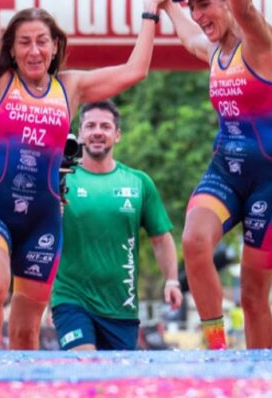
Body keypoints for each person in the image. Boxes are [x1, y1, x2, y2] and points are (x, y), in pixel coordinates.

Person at [0, 0, 170, 351]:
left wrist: (149, 12)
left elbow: (135, 71)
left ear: (55, 45)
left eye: (41, 42)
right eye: (24, 42)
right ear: (11, 49)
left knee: (27, 331)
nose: (33, 51)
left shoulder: (71, 87)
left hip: (43, 221)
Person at [156, 0, 272, 349]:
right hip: (227, 172)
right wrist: (169, 7)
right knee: (194, 240)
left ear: (226, 1)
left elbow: (248, 11)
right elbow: (188, 36)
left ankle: (258, 379)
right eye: (193, 8)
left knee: (253, 299)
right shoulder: (215, 52)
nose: (198, 15)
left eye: (204, 5)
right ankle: (218, 351)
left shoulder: (262, 46)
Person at [50, 100, 182, 351]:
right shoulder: (58, 178)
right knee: (83, 369)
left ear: (117, 135)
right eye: (90, 126)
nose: (97, 131)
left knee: (117, 384)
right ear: (80, 135)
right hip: (71, 300)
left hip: (121, 309)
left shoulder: (138, 182)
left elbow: (161, 239)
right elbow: (36, 231)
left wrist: (172, 281)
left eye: (105, 126)